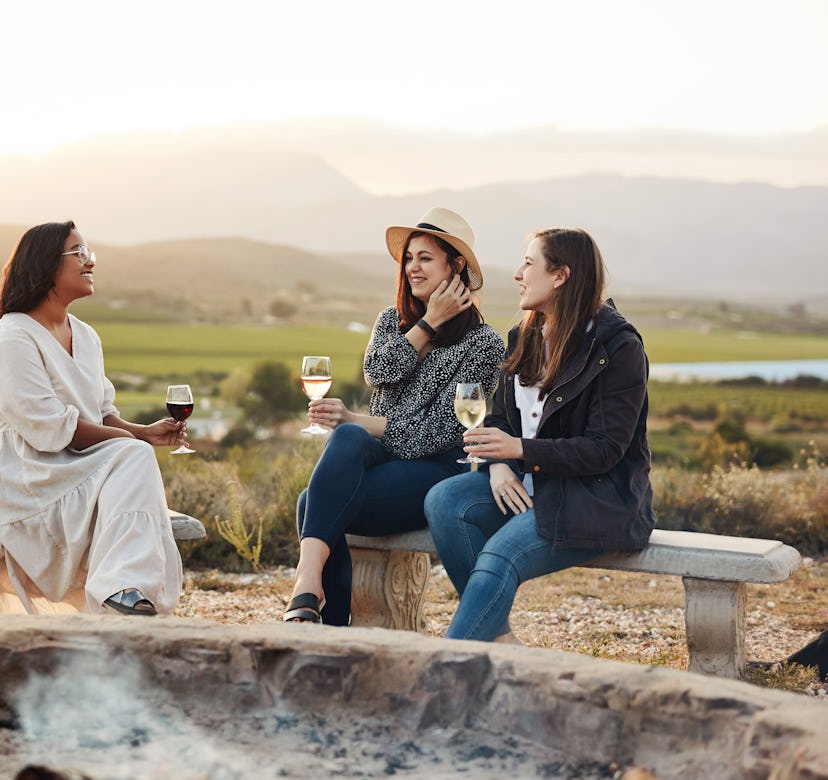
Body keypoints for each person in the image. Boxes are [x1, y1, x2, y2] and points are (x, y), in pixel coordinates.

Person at [424, 227, 656, 642]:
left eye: (529, 263)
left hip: (592, 500)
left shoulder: (618, 348)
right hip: (527, 488)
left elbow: (605, 450)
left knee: (499, 555)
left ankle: (446, 672)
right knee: (445, 500)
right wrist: (497, 464)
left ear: (561, 276)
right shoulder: (526, 335)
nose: (517, 273)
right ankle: (499, 641)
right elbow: (500, 420)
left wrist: (519, 450)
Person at [284, 207, 505, 624]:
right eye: (408, 258)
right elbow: (378, 372)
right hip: (378, 456)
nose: (412, 268)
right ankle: (308, 583)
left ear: (455, 266)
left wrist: (356, 419)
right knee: (346, 440)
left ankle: (321, 618)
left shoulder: (483, 344)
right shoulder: (392, 320)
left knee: (311, 500)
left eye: (425, 258)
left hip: (434, 469)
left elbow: (438, 432)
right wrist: (427, 324)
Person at [0, 221, 184, 616]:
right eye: (79, 253)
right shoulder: (13, 335)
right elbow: (51, 429)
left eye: (91, 253)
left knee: (134, 455)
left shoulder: (86, 335)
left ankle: (124, 591)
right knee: (132, 457)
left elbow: (101, 413)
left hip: (78, 466)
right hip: (32, 476)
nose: (90, 263)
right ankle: (121, 590)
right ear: (45, 263)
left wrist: (143, 433)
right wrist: (131, 445)